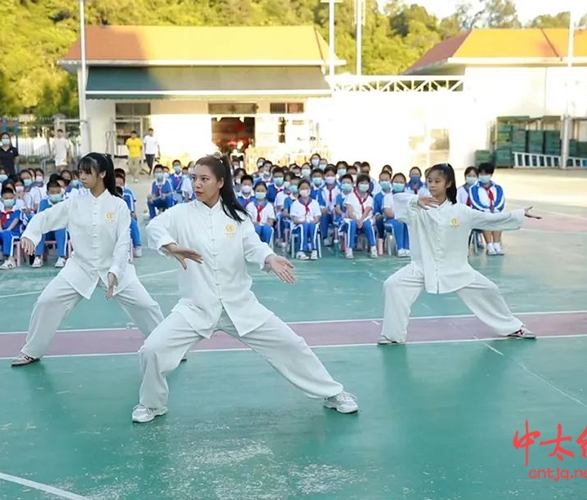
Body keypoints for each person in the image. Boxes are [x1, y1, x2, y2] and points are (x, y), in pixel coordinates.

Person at [133, 155, 358, 423]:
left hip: (240, 305)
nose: (198, 184)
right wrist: (171, 246)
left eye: (204, 179)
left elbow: (253, 245)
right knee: (152, 350)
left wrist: (269, 258)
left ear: (220, 182)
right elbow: (155, 226)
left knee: (291, 344)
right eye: (194, 178)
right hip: (196, 306)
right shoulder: (181, 213)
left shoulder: (237, 217)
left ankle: (333, 393)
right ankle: (152, 404)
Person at [11, 153, 165, 366]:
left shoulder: (118, 205)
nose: (81, 176)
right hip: (79, 268)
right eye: (80, 172)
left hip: (115, 269)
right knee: (47, 302)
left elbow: (122, 242)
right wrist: (30, 234)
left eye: (87, 172)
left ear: (102, 173)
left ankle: (168, 347)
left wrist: (115, 272)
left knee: (146, 306)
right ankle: (32, 350)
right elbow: (46, 217)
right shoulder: (74, 203)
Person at [379, 163, 540, 345]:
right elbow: (398, 200)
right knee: (393, 285)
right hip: (421, 268)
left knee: (489, 290)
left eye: (437, 181)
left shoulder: (461, 211)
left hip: (457, 269)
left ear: (448, 184)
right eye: (429, 181)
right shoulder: (417, 209)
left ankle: (513, 327)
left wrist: (518, 214)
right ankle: (392, 336)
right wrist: (416, 201)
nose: (432, 185)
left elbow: (490, 219)